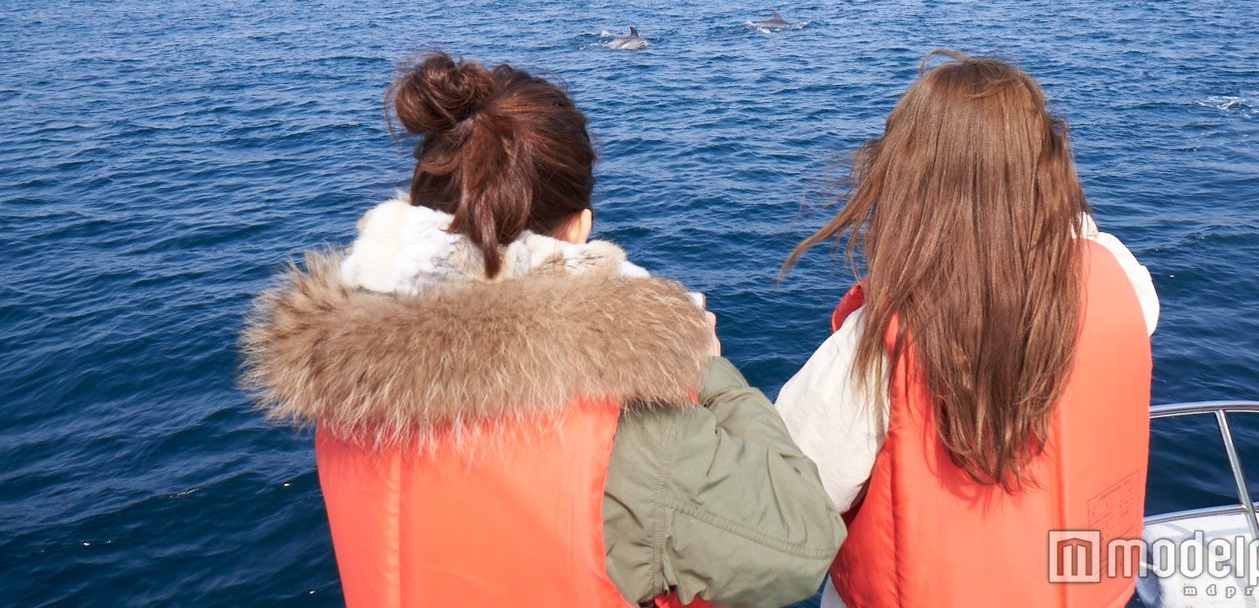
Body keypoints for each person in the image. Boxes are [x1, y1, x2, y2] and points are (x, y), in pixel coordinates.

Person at [242, 51, 843, 607]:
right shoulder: (624, 427)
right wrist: (706, 367)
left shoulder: (344, 384)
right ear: (581, 227)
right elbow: (803, 546)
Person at [774, 50, 1157, 608]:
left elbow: (786, 502)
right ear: (1048, 169)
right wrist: (1035, 198)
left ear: (907, 182)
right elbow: (1083, 241)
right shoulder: (1121, 280)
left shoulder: (874, 350)